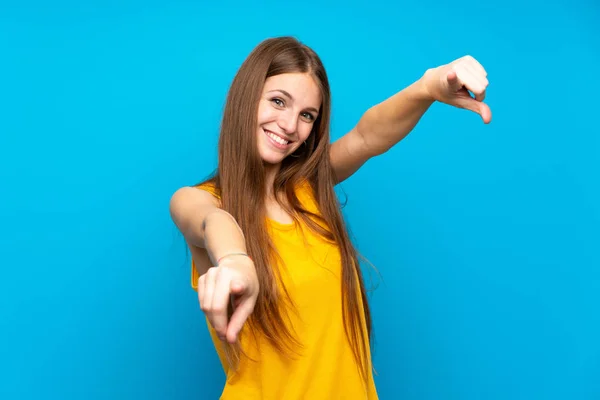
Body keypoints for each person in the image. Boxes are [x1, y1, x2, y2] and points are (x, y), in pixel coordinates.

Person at [170, 36, 490, 399]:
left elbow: (368, 136)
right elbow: (213, 221)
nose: (290, 125)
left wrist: (427, 88)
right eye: (278, 101)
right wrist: (235, 260)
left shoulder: (310, 190)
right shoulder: (197, 200)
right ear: (246, 97)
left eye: (307, 115)